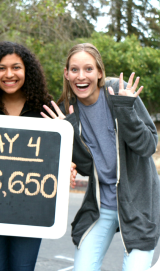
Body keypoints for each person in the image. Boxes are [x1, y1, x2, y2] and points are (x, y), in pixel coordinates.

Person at [42, 43, 160, 271]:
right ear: (66, 74)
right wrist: (67, 134)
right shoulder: (67, 110)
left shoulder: (119, 91)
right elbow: (88, 167)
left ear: (100, 73)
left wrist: (125, 111)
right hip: (102, 205)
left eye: (88, 69)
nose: (81, 76)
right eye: (74, 70)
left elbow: (148, 146)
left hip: (138, 204)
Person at [0, 41, 55, 271]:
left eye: (16, 67)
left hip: (31, 210)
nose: (9, 74)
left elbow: (58, 152)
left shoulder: (46, 109)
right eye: (1, 68)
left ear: (27, 71)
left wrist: (67, 163)